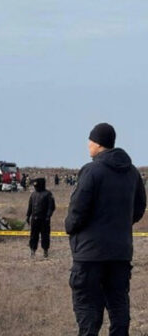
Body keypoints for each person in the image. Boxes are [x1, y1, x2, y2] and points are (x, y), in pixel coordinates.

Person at [65, 122, 146, 335]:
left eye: (90, 141)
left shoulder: (91, 171)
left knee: (88, 313)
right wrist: (120, 225)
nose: (88, 145)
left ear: (98, 144)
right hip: (120, 254)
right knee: (119, 309)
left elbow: (77, 210)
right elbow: (139, 207)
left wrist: (71, 228)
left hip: (90, 256)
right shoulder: (132, 173)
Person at [26, 177, 55, 258]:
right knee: (33, 236)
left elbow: (51, 207)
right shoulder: (33, 194)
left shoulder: (48, 194)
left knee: (45, 235)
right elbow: (30, 206)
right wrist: (28, 216)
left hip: (44, 219)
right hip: (34, 219)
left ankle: (45, 250)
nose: (35, 187)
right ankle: (32, 250)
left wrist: (48, 216)